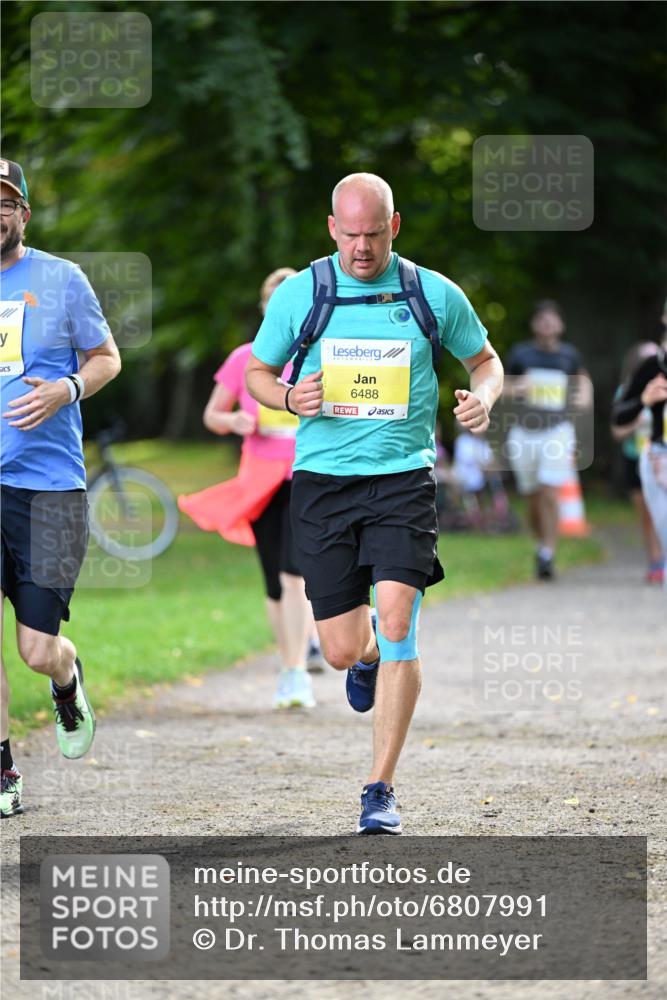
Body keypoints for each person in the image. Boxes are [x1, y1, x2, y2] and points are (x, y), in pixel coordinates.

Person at [246, 172, 503, 834]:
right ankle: (360, 663)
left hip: (401, 481)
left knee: (395, 622)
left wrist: (485, 399)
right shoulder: (303, 293)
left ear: (395, 225)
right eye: (349, 234)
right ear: (332, 228)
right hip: (323, 483)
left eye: (373, 233)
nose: (361, 248)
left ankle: (378, 788)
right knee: (338, 648)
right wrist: (286, 397)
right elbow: (256, 371)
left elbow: (484, 360)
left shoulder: (429, 293)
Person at [0, 158, 121, 818]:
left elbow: (106, 358)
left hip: (49, 489)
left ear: (23, 212)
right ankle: (2, 774)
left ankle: (68, 680)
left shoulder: (62, 279)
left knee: (36, 649)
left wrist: (67, 388)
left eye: (5, 200)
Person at [178, 268, 318, 710]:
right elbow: (212, 415)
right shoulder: (245, 358)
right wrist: (233, 421)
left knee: (295, 574)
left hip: (310, 476)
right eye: (274, 302)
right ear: (264, 309)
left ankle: (297, 672)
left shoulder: (321, 355)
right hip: (260, 480)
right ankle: (291, 662)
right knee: (275, 581)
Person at [503, 300, 592, 580]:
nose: (547, 325)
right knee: (531, 497)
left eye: (552, 320)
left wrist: (584, 398)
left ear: (561, 325)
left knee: (550, 492)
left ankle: (548, 552)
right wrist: (518, 387)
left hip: (557, 431)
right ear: (534, 325)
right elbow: (499, 386)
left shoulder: (569, 356)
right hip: (523, 431)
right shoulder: (521, 354)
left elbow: (583, 382)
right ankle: (540, 544)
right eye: (542, 320)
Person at [612, 313, 667, 592]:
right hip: (644, 458)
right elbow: (618, 427)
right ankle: (655, 561)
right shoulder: (640, 380)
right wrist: (644, 405)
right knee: (649, 518)